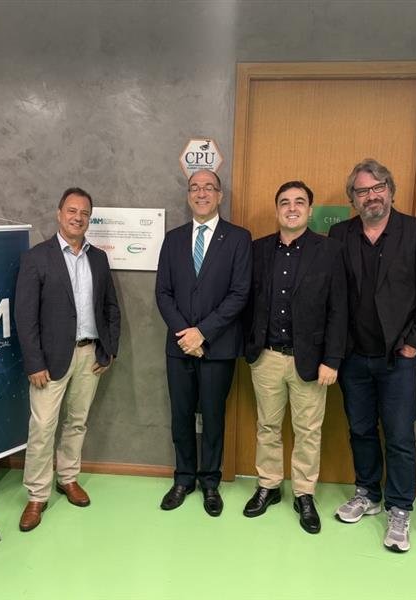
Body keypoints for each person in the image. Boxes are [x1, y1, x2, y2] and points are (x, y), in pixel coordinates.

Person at [328, 159, 416, 552]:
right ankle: (368, 493)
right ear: (353, 199)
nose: (372, 196)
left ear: (391, 191)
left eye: (378, 187)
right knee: (360, 429)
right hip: (353, 357)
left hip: (398, 357)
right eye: (362, 190)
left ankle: (399, 508)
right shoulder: (340, 235)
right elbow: (333, 295)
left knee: (399, 435)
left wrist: (413, 344)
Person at [242, 181, 347, 534]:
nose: (292, 208)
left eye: (299, 202)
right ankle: (268, 485)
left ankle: (304, 493)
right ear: (277, 210)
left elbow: (339, 309)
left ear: (309, 210)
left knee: (308, 431)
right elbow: (246, 300)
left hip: (311, 362)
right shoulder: (257, 250)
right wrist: (250, 346)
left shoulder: (330, 251)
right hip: (266, 357)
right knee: (267, 426)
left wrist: (332, 359)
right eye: (285, 202)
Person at [14, 187, 120, 532]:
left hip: (90, 355)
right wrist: (34, 362)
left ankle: (68, 478)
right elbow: (25, 316)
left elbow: (111, 307)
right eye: (72, 211)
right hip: (50, 361)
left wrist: (109, 349)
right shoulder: (36, 258)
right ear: (59, 213)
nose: (78, 218)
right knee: (43, 427)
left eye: (85, 213)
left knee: (77, 422)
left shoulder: (98, 258)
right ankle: (37, 494)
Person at [155, 169, 252, 516]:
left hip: (218, 347)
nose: (201, 193)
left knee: (212, 416)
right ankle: (183, 478)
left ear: (220, 195)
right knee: (181, 416)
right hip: (179, 347)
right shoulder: (173, 239)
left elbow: (239, 293)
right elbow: (163, 293)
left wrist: (203, 332)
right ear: (188, 195)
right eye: (195, 188)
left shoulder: (239, 238)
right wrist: (186, 334)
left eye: (209, 187)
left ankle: (210, 482)